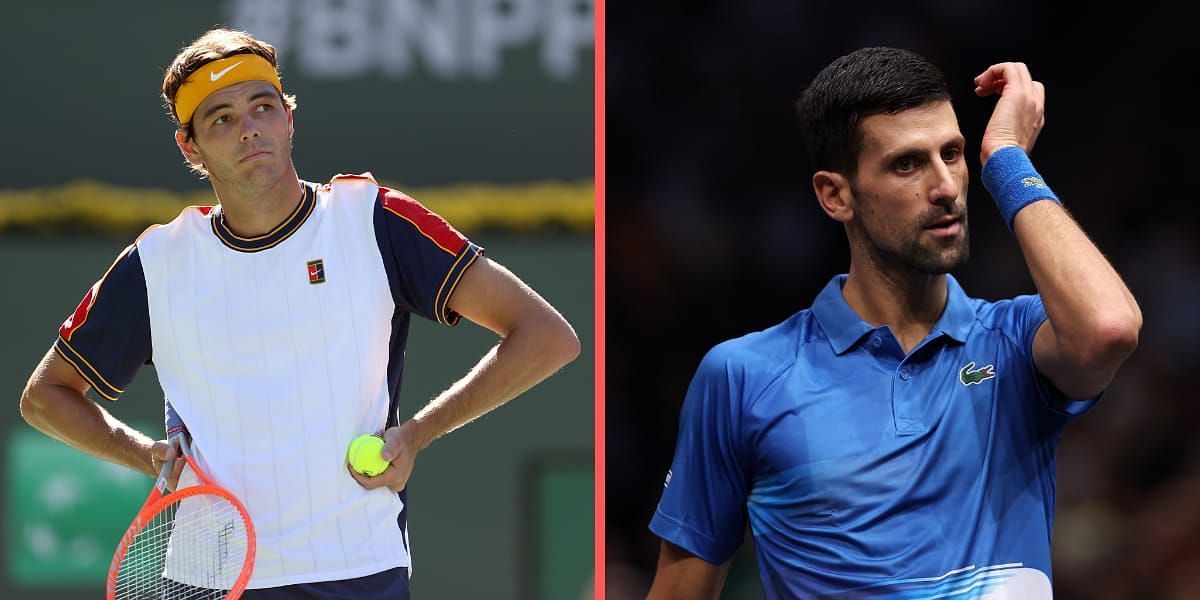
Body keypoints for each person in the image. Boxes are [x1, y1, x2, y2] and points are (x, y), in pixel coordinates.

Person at [18, 28, 580, 598]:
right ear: (190, 147)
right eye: (222, 119)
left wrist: (418, 433)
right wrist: (146, 456)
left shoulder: (373, 220)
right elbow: (45, 397)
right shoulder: (157, 262)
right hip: (212, 579)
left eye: (263, 107)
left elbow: (546, 336)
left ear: (289, 118)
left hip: (357, 573)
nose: (250, 128)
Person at [646, 47, 1142, 599]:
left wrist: (1005, 159)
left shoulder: (1014, 341)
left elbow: (1109, 328)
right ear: (835, 195)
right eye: (907, 164)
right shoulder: (743, 376)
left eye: (951, 154)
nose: (947, 187)